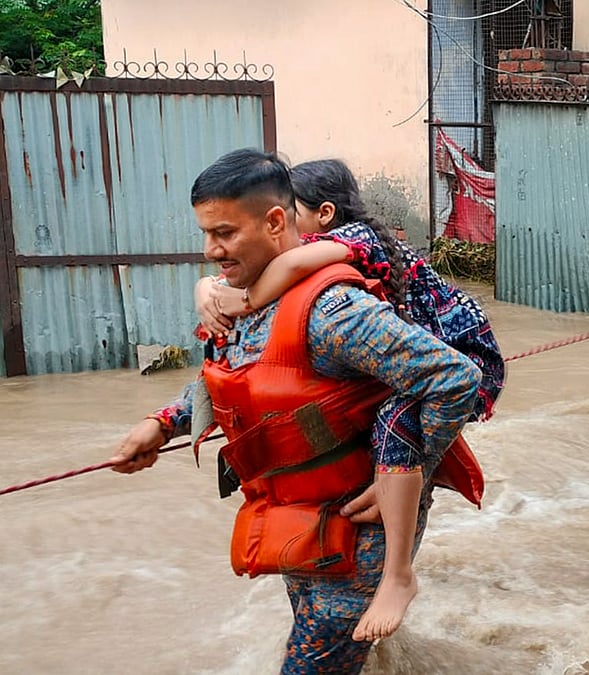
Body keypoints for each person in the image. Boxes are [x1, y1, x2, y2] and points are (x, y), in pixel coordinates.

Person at [111, 149, 483, 674]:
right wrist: (161, 423)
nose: (209, 250)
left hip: (360, 532)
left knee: (307, 665)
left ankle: (397, 579)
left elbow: (454, 377)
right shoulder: (243, 300)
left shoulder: (334, 313)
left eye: (224, 234)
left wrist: (412, 469)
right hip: (299, 522)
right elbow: (234, 377)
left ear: (276, 221)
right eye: (206, 233)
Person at [194, 158, 504, 643]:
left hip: (465, 355)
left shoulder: (352, 242)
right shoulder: (324, 248)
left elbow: (293, 263)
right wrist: (208, 290)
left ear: (321, 214)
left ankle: (398, 573)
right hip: (414, 359)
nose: (287, 226)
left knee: (395, 424)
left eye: (289, 212)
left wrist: (245, 298)